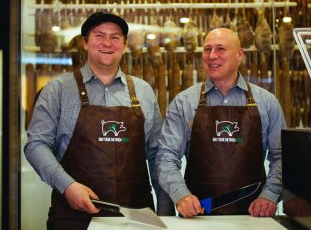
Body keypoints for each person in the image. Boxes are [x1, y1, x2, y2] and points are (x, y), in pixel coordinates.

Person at [24, 12, 173, 230]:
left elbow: (156, 154)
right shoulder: (57, 90)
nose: (107, 43)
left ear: (124, 44)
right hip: (74, 218)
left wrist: (165, 212)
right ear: (84, 43)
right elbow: (36, 145)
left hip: (136, 218)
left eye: (115, 37)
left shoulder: (143, 91)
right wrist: (68, 187)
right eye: (99, 35)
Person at [156, 28, 286, 218]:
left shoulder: (266, 102)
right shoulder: (184, 102)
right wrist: (181, 195)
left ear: (239, 54)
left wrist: (269, 195)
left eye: (220, 49)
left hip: (253, 217)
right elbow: (166, 156)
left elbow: (281, 156)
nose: (212, 56)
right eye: (207, 49)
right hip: (199, 215)